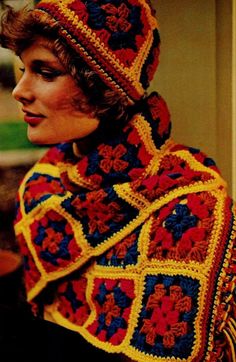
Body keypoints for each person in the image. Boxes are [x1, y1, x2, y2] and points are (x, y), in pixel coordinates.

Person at [0, 1, 235, 361]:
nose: (20, 90)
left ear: (104, 88)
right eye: (22, 70)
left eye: (45, 73)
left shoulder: (189, 204)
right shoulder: (41, 183)